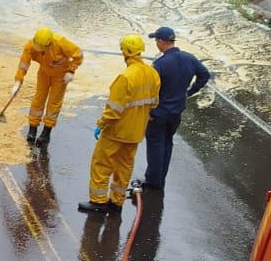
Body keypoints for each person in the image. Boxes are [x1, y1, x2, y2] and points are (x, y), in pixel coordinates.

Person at [78, 34, 160, 215]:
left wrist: (101, 124)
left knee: (101, 165)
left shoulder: (125, 77)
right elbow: (154, 103)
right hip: (136, 133)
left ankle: (98, 201)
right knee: (124, 167)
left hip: (117, 131)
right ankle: (116, 202)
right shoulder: (152, 74)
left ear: (124, 52)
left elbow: (114, 109)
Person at [143, 27, 211, 190]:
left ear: (161, 42)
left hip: (159, 112)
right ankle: (160, 178)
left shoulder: (159, 64)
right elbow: (205, 75)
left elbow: (150, 90)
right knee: (167, 142)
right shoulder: (190, 58)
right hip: (177, 111)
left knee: (155, 143)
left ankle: (153, 180)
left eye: (156, 40)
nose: (156, 43)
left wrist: (147, 112)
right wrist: (189, 92)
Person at [12, 26, 83, 147]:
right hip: (44, 73)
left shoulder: (61, 42)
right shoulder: (30, 45)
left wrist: (71, 71)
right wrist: (18, 80)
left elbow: (78, 54)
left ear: (49, 44)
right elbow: (24, 63)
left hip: (61, 76)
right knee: (38, 99)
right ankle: (32, 129)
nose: (39, 51)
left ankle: (46, 132)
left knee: (54, 102)